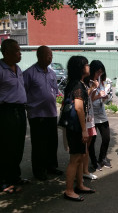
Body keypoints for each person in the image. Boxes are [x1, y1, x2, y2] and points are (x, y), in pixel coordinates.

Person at [23, 45, 63, 181]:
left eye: (51, 55)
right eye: (48, 55)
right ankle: (39, 171)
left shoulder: (51, 73)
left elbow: (54, 90)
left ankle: (51, 166)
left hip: (51, 113)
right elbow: (23, 93)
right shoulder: (29, 73)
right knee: (40, 144)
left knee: (52, 142)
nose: (50, 57)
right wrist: (30, 107)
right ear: (39, 56)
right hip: (37, 115)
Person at [63, 56, 95, 202]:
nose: (89, 67)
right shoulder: (77, 85)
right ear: (81, 68)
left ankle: (80, 185)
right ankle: (69, 190)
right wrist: (84, 130)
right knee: (75, 159)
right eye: (86, 64)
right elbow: (79, 107)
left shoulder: (76, 83)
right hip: (76, 128)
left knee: (81, 156)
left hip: (74, 127)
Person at [0, 39, 27, 193]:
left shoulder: (17, 68)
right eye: (17, 50)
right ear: (7, 53)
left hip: (19, 110)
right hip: (5, 111)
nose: (20, 53)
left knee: (18, 146)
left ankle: (15, 177)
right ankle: (3, 181)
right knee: (5, 147)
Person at [88, 60, 112, 170]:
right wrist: (97, 94)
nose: (99, 75)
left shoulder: (102, 82)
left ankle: (102, 158)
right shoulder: (89, 82)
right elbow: (87, 100)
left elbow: (105, 99)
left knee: (106, 137)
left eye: (101, 72)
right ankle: (94, 161)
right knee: (92, 140)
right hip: (91, 114)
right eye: (98, 72)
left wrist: (105, 98)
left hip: (101, 113)